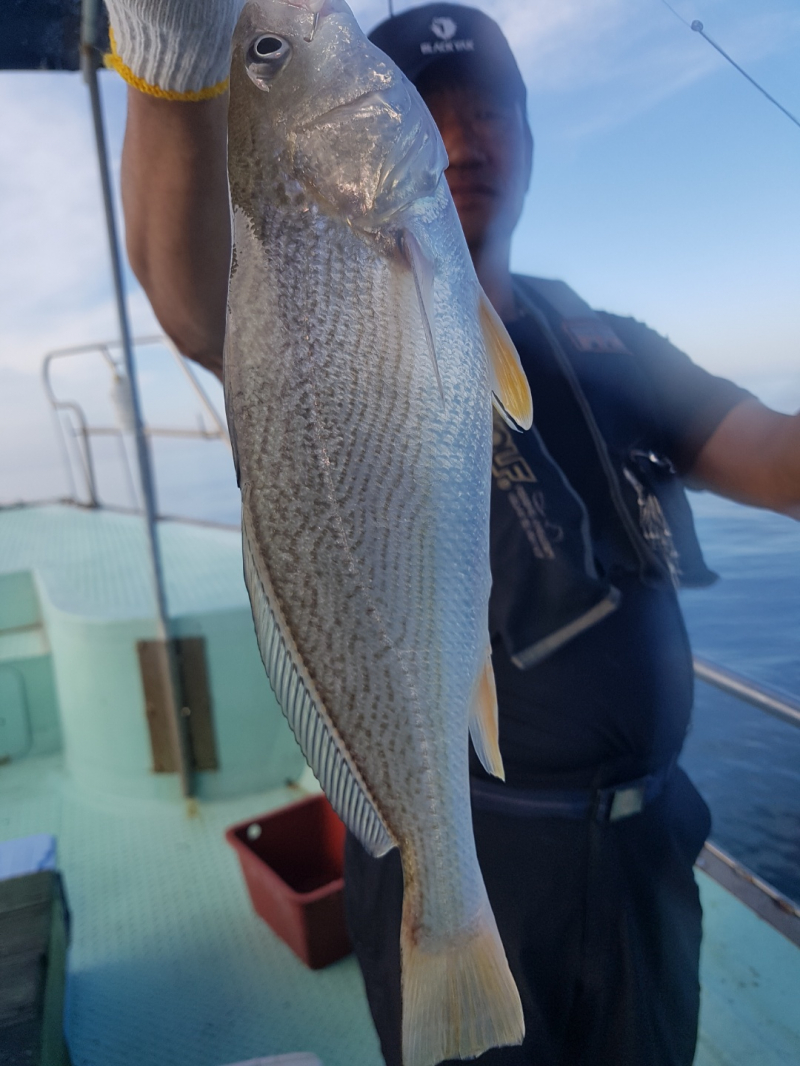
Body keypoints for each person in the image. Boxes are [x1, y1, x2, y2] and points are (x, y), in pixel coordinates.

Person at [106, 1, 800, 1063]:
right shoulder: (295, 275)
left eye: (488, 110)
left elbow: (772, 457)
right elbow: (196, 302)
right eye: (432, 105)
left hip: (650, 854)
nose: (466, 138)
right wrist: (170, 59)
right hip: (469, 837)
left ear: (527, 129)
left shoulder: (608, 339)